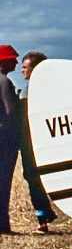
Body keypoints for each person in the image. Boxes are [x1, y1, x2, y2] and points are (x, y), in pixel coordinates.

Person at [20, 52, 56, 233]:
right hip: (48, 139)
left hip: (30, 142)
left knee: (31, 176)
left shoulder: (28, 91)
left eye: (25, 67)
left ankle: (43, 218)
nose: (21, 71)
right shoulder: (52, 89)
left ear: (35, 69)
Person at [0, 45, 20, 235]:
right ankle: (2, 224)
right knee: (4, 181)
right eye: (12, 58)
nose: (15, 62)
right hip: (5, 136)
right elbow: (10, 111)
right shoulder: (4, 82)